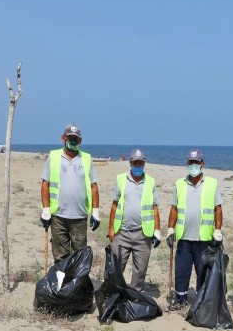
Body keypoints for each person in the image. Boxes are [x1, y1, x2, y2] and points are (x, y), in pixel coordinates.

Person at [166, 148, 223, 309]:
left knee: (202, 272)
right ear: (187, 163)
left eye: (196, 162)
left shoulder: (212, 184)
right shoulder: (180, 184)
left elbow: (217, 209)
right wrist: (170, 228)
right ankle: (180, 299)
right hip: (184, 237)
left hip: (203, 239)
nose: (193, 165)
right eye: (191, 162)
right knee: (182, 270)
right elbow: (174, 209)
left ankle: (201, 300)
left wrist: (217, 231)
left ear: (202, 163)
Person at [40, 124, 100, 263]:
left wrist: (95, 212)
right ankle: (62, 283)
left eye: (76, 139)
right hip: (58, 217)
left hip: (79, 217)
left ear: (80, 141)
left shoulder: (86, 159)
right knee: (60, 256)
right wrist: (46, 210)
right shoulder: (53, 157)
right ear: (63, 138)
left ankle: (77, 284)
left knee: (79, 256)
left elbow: (94, 186)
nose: (73, 141)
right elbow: (45, 184)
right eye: (70, 137)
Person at [108, 148, 162, 291]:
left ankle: (135, 296)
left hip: (143, 235)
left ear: (144, 164)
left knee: (140, 271)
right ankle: (113, 294)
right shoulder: (121, 179)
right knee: (116, 267)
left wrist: (157, 230)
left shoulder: (151, 182)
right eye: (135, 163)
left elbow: (155, 207)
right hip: (122, 233)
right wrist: (111, 229)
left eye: (140, 163)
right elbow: (114, 205)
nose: (138, 166)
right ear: (130, 163)